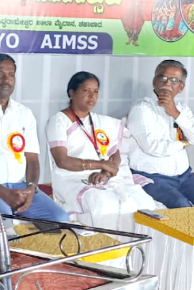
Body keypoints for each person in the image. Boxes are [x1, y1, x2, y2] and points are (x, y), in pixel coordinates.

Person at [0, 54, 70, 238]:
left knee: (61, 220)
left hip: (20, 187)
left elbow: (32, 159)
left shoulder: (24, 113)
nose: (6, 80)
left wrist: (31, 189)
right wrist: (4, 193)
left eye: (11, 75)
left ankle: (8, 216)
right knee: (5, 231)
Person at [46, 72, 160, 234]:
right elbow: (62, 161)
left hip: (104, 176)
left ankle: (135, 242)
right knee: (102, 203)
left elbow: (115, 154)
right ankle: (107, 243)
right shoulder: (59, 120)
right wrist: (101, 165)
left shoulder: (101, 122)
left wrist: (105, 173)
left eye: (96, 91)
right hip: (72, 177)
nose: (92, 96)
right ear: (72, 93)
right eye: (86, 90)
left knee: (143, 202)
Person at [126, 60, 194, 208]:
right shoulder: (142, 109)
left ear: (180, 87)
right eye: (163, 78)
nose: (167, 83)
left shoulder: (181, 109)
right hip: (152, 178)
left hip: (184, 177)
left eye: (174, 80)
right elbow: (153, 148)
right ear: (154, 82)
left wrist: (175, 113)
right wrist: (183, 143)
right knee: (181, 206)